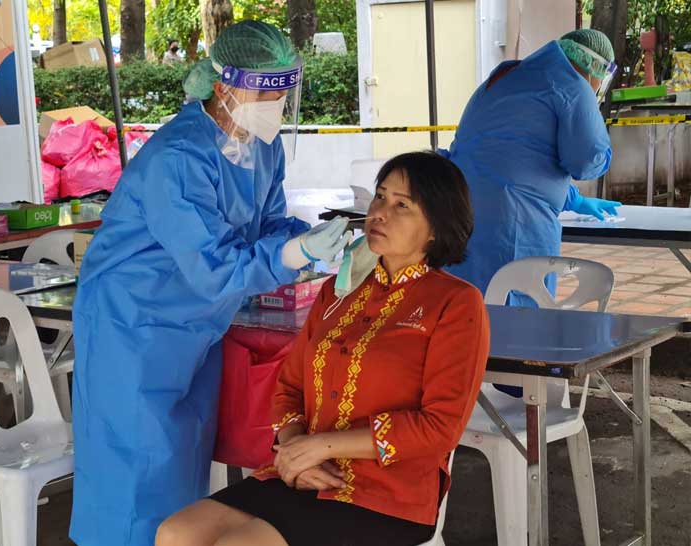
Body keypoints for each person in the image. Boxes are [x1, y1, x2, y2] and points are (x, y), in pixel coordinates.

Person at [70, 21, 352, 546]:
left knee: (184, 458)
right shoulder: (177, 157)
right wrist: (295, 254)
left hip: (200, 324)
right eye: (266, 94)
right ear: (224, 87)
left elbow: (267, 225)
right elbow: (214, 266)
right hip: (133, 324)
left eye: (283, 94)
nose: (277, 106)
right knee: (133, 469)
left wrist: (315, 240)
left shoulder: (263, 147)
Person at [155, 151, 491, 546]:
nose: (380, 213)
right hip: (305, 472)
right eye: (380, 196)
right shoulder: (338, 290)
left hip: (389, 492)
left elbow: (439, 428)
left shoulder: (456, 302)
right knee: (175, 533)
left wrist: (318, 447)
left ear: (436, 227)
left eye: (402, 205)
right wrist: (295, 451)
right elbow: (289, 387)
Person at [444, 29, 622, 306]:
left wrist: (574, 200)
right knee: (519, 315)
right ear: (595, 69)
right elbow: (587, 159)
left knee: (464, 310)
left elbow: (512, 160)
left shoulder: (506, 76)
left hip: (456, 211)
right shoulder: (573, 86)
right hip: (513, 225)